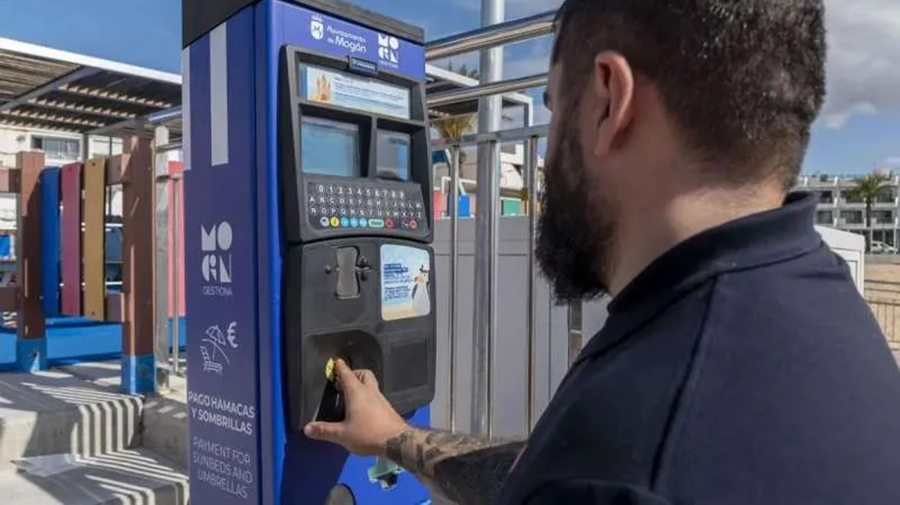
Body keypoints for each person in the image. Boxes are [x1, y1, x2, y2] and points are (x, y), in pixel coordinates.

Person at [305, 0, 900, 503]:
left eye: (554, 107)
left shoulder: (636, 441)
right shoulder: (815, 311)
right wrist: (394, 438)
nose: (545, 154)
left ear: (610, 100)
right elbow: (540, 471)